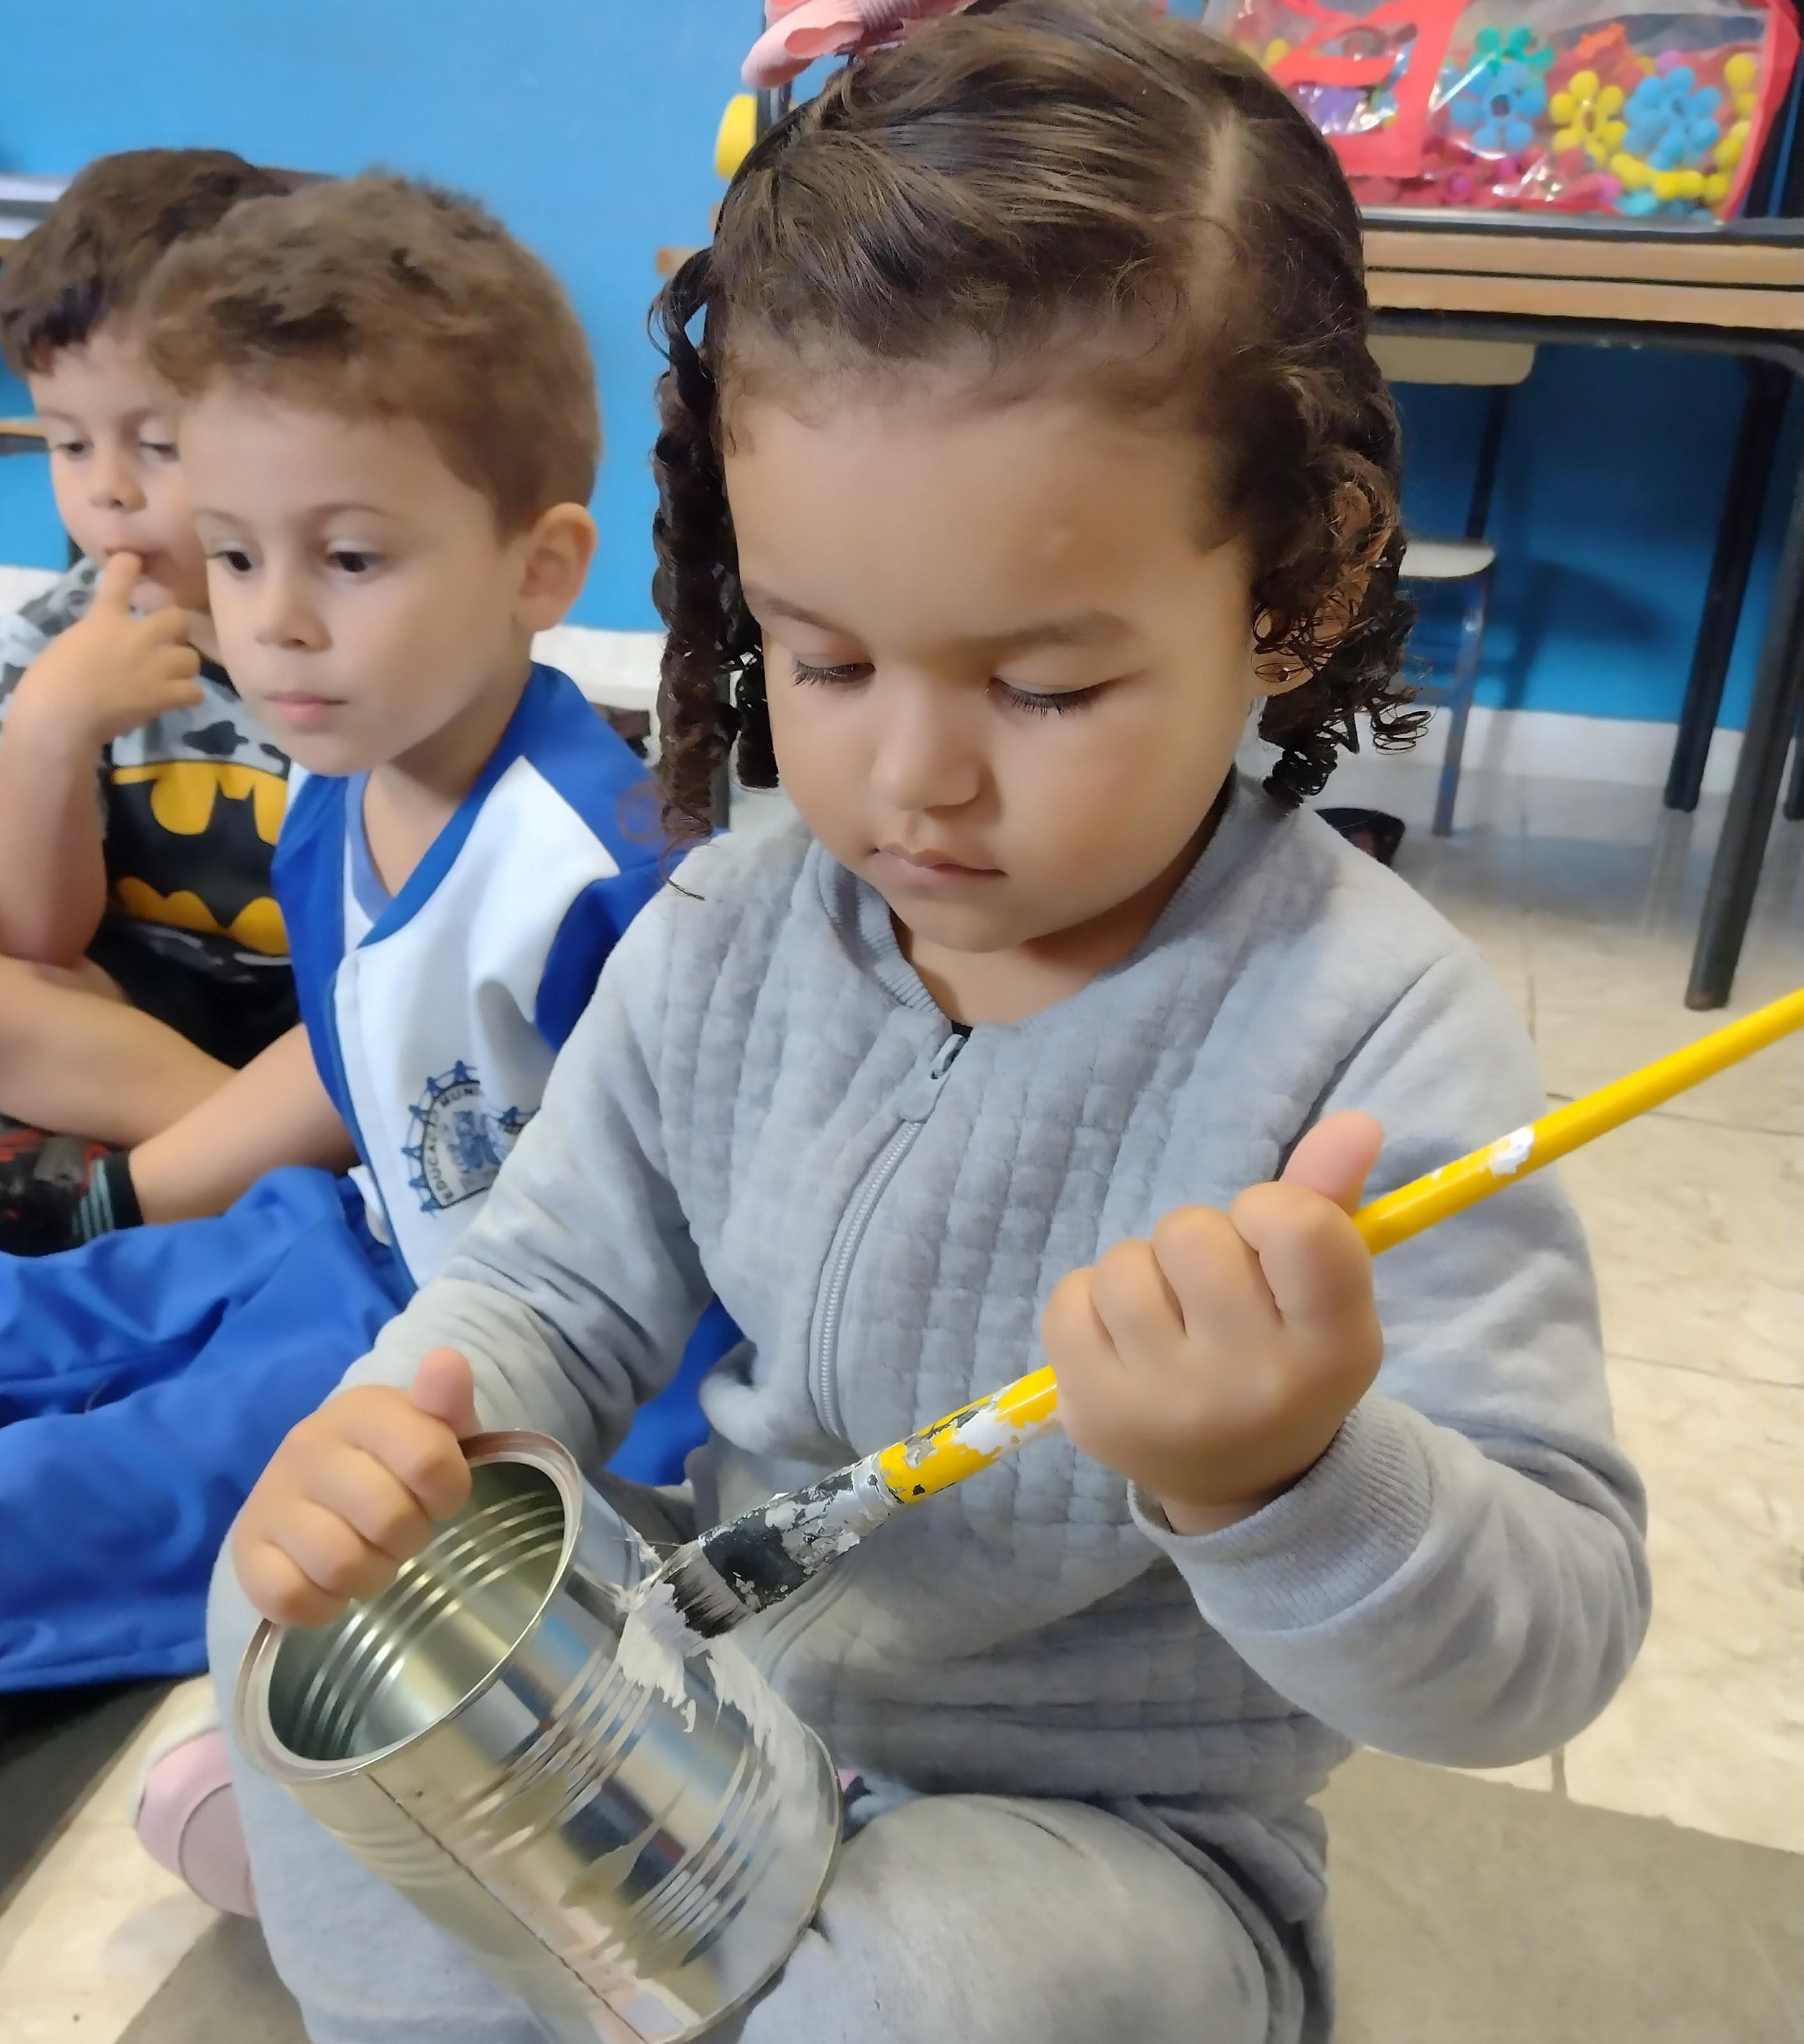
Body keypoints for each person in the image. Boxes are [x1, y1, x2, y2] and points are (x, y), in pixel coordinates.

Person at [219, 8, 1651, 2042]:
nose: (912, 783)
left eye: (1044, 688)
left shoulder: (1370, 1035)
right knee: (281, 1603)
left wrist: (1286, 1478)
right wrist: (406, 1425)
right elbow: (546, 1286)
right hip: (707, 1707)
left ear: (1296, 591)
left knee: (921, 1992)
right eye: (823, 659)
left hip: (1098, 1845)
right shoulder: (729, 929)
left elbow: (1549, 1649)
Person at [0, 173, 682, 1698]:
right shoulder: (333, 791)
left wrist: (619, 1522)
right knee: (33, 1312)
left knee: (58, 1506)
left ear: (540, 568)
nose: (273, 624)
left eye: (350, 559)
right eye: (238, 557)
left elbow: (696, 1265)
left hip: (455, 1372)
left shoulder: (604, 875)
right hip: (350, 1232)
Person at [0, 150, 302, 1252]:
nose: (108, 489)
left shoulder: (339, 634)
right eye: (69, 442)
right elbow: (40, 937)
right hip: (142, 1022)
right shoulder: (58, 635)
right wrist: (48, 733)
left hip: (322, 1024)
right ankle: (250, 1159)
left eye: (157, 443)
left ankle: (167, 1183)